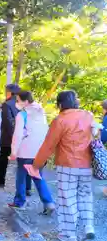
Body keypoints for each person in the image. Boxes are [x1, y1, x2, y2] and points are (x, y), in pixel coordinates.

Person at [26, 91, 96, 241]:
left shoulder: (60, 120)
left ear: (60, 104)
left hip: (67, 165)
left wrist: (36, 165)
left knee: (67, 199)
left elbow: (48, 146)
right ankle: (89, 227)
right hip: (87, 164)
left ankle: (69, 235)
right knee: (85, 195)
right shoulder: (88, 116)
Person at [7, 91, 55, 213]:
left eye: (18, 100)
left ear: (26, 101)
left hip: (26, 152)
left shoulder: (22, 115)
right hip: (40, 151)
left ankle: (19, 202)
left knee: (21, 178)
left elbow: (17, 135)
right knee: (37, 176)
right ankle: (48, 202)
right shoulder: (41, 112)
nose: (16, 103)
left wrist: (13, 152)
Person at [0, 84, 32, 195]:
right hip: (24, 137)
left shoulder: (7, 104)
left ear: (10, 92)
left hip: (9, 138)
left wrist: (14, 137)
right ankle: (27, 188)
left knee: (3, 159)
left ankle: (0, 181)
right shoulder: (25, 103)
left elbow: (8, 122)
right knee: (24, 161)